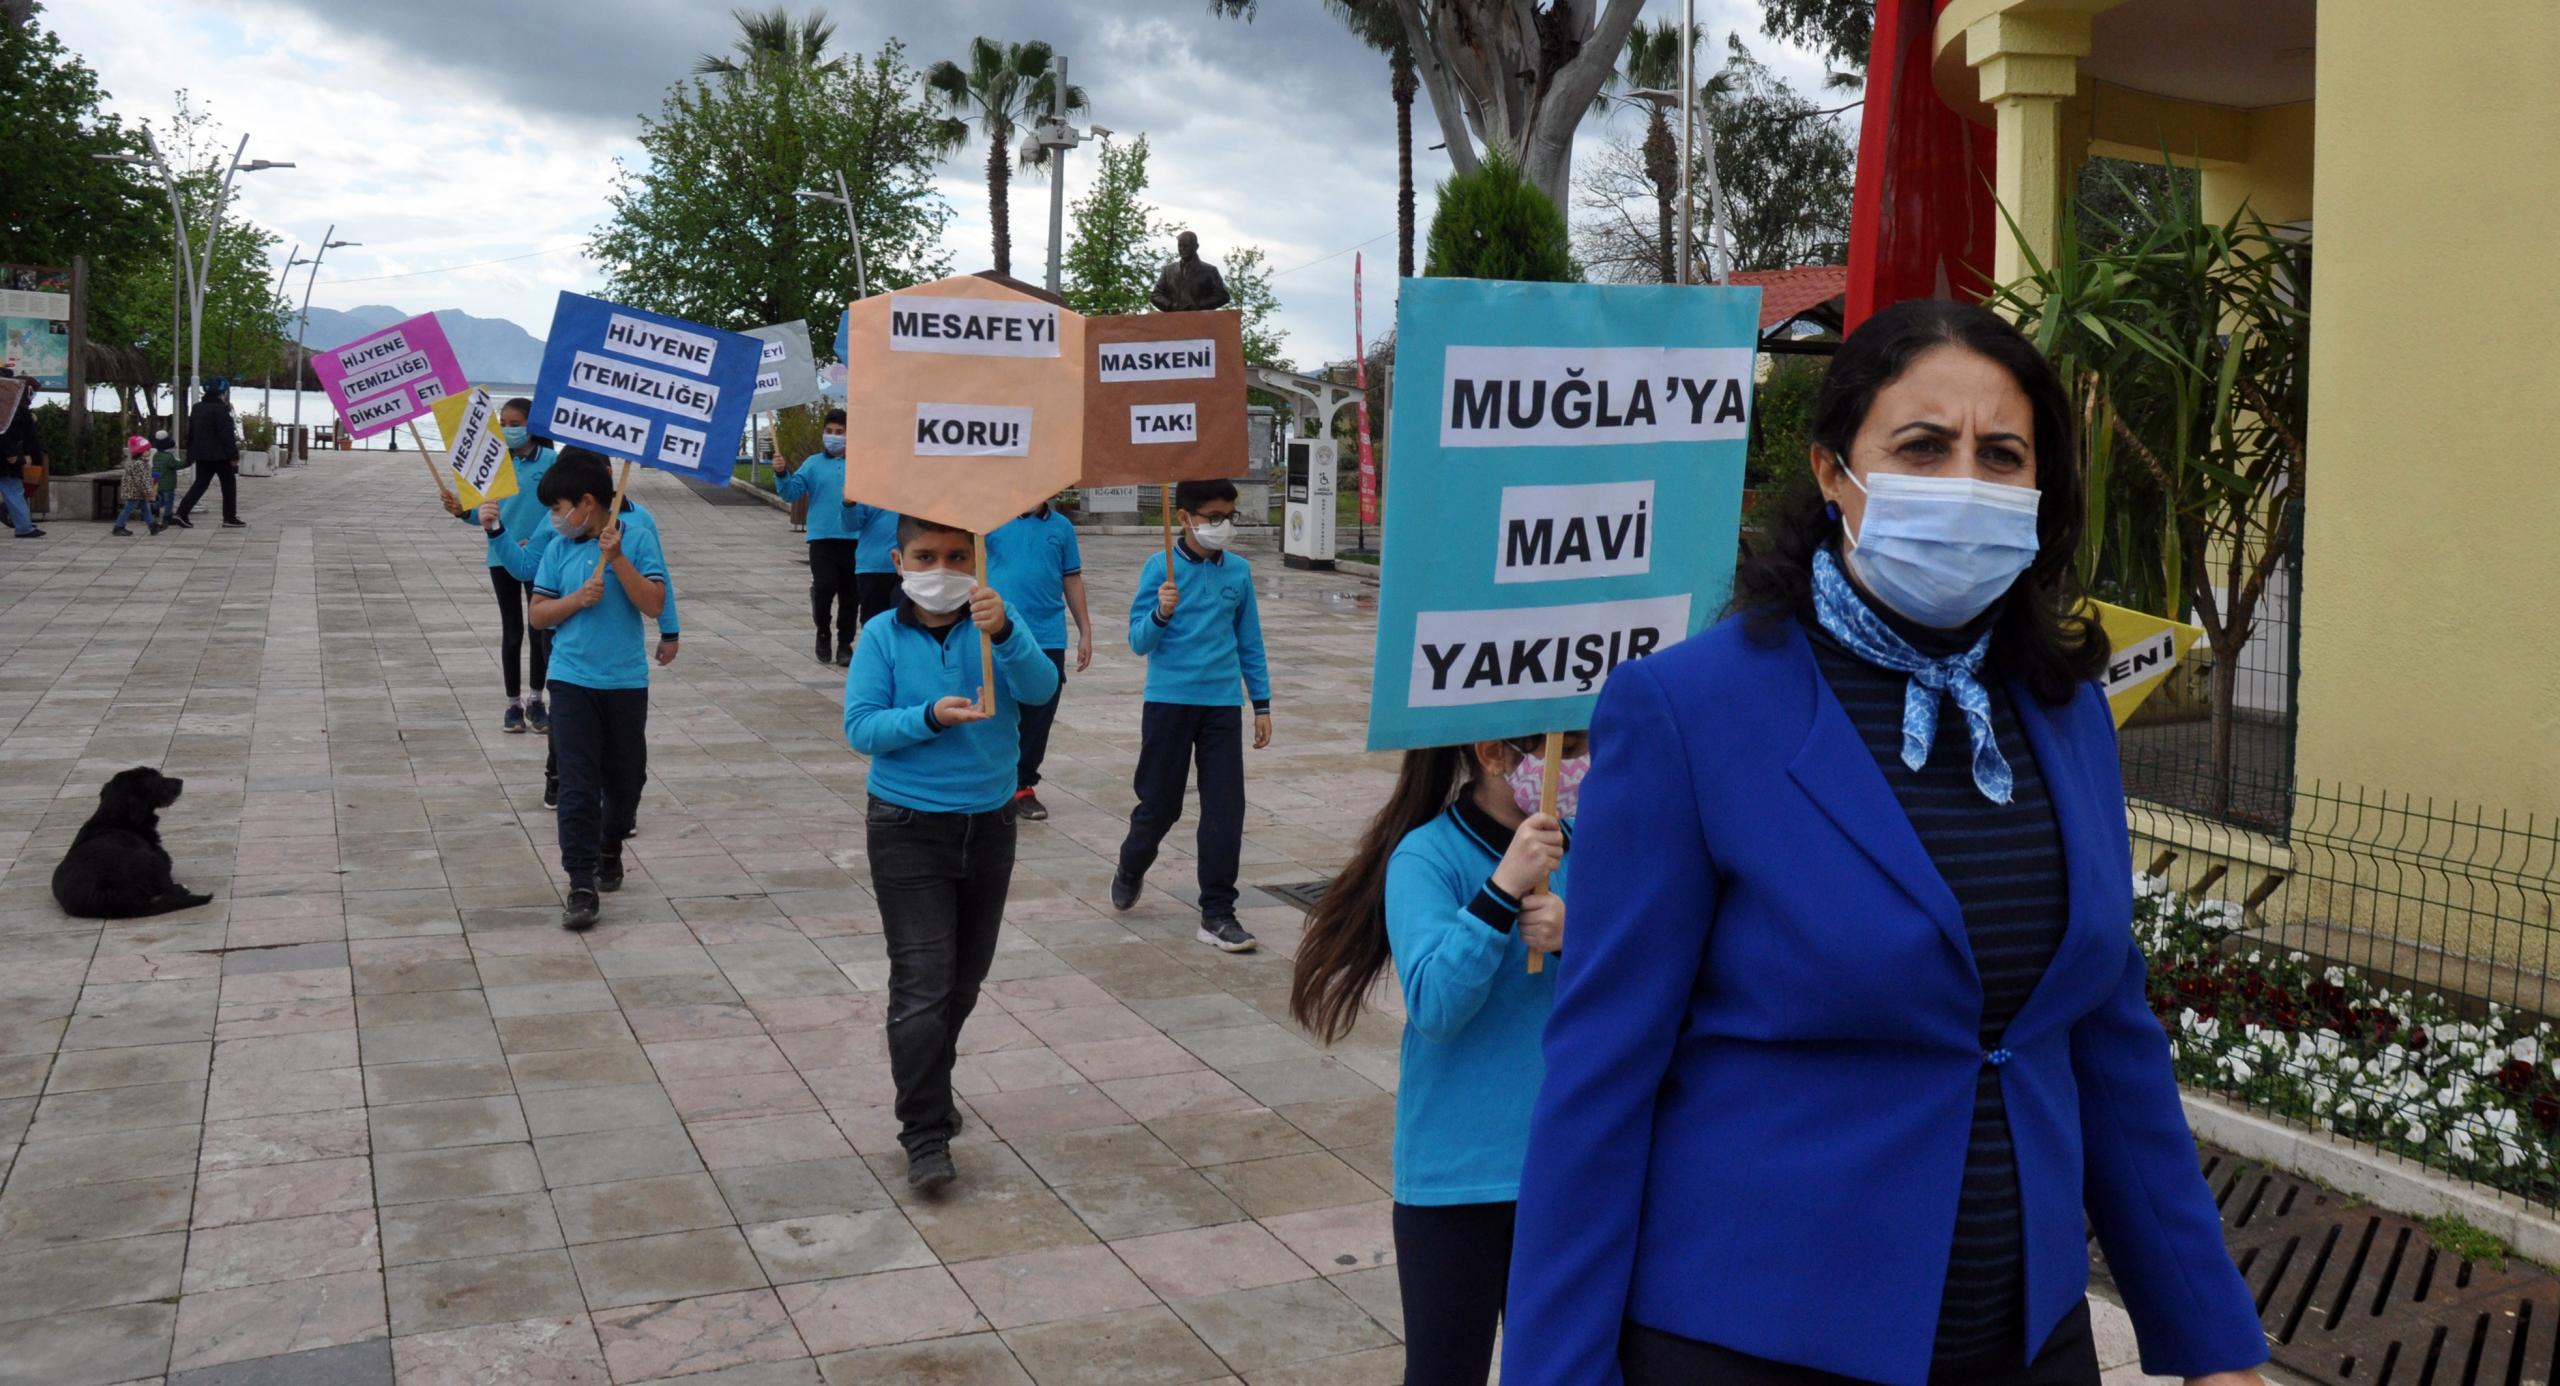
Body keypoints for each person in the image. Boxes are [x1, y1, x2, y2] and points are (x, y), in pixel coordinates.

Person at [1502, 300, 2270, 1386]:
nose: (1964, 482)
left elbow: (2107, 1039)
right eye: (1921, 446)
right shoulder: (1690, 712)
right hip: (1753, 1339)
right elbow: (1599, 1078)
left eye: (2001, 455)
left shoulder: (2064, 714)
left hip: (2027, 1339)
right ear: (1830, 473)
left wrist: (2209, 1336)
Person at [1289, 734, 1579, 1386]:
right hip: (1457, 1179)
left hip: (1567, 1169)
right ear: (1492, 753)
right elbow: (1435, 1007)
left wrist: (1576, 938)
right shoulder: (1426, 855)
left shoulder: (1589, 845)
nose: (1578, 764)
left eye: (1585, 744)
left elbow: (1639, 989)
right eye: (1566, 749)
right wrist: (1501, 891)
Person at [843, 514, 1060, 1194]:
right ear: (899, 559)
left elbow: (1039, 690)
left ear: (979, 560)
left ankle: (931, 1079)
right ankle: (925, 1132)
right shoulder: (881, 634)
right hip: (907, 826)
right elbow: (861, 727)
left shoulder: (997, 618)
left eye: (957, 556)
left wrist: (1004, 631)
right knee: (922, 984)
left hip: (990, 823)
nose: (942, 569)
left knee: (963, 982)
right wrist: (929, 716)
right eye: (927, 555)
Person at [1112, 478, 1272, 954]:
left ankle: (1218, 913)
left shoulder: (1239, 572)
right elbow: (1138, 641)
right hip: (1168, 702)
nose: (1223, 527)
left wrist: (1261, 703)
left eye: (1230, 517)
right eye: (1213, 518)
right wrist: (1160, 613)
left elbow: (1250, 641)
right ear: (1184, 518)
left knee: (1226, 808)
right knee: (1161, 803)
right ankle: (1132, 863)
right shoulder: (1158, 567)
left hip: (1222, 705)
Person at [527, 449, 671, 932]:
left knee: (627, 784)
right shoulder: (556, 547)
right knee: (578, 784)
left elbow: (653, 603)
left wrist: (618, 559)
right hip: (571, 680)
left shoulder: (640, 536)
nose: (554, 518)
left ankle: (612, 843)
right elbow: (538, 614)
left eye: (557, 507)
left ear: (587, 502)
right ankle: (580, 881)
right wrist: (575, 600)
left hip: (625, 682)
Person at [445, 398, 556, 733]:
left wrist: (535, 542)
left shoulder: (551, 461)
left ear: (531, 425)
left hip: (539, 559)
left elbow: (560, 509)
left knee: (540, 631)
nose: (508, 430)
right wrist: (461, 511)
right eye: (502, 424)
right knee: (512, 632)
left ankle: (538, 700)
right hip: (501, 556)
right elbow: (485, 513)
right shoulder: (493, 465)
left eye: (514, 423)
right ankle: (512, 703)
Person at [982, 494, 1091, 820]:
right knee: (997, 708)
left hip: (1047, 636)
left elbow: (1071, 578)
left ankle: (1023, 784)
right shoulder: (990, 520)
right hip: (998, 631)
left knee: (1040, 712)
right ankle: (993, 781)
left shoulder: (1062, 528)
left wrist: (1085, 630)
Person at [773, 408, 863, 665]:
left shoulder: (861, 464)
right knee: (824, 588)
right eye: (829, 432)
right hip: (822, 539)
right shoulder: (813, 463)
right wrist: (781, 473)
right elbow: (791, 492)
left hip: (855, 538)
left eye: (840, 432)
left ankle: (845, 643)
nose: (834, 436)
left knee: (851, 595)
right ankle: (822, 631)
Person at [178, 377, 245, 528]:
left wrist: (191, 454)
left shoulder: (197, 408)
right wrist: (233, 455)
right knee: (228, 486)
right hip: (221, 456)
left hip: (202, 454)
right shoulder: (221, 409)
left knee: (200, 484)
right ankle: (229, 517)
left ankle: (182, 512)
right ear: (223, 392)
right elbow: (226, 434)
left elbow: (192, 433)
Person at [0, 365, 41, 540]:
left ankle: (24, 525)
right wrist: (13, 454)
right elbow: (3, 432)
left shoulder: (13, 408)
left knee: (13, 490)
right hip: (5, 458)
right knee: (13, 490)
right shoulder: (10, 409)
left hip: (6, 456)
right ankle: (23, 527)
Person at [850, 496, 902, 627]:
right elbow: (850, 525)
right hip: (873, 567)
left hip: (911, 566)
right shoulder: (869, 486)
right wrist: (848, 505)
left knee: (904, 620)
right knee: (873, 622)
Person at [112, 435, 162, 536]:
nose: (149, 451)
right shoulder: (140, 464)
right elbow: (142, 481)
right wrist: (149, 492)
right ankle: (119, 526)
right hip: (135, 492)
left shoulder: (138, 463)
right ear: (141, 452)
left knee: (145, 508)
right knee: (128, 509)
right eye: (147, 449)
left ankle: (152, 525)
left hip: (137, 491)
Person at [149, 430, 183, 529]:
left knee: (160, 500)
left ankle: (151, 508)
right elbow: (178, 465)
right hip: (168, 484)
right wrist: (188, 462)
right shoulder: (169, 458)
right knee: (168, 501)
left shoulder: (156, 455)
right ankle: (167, 517)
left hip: (156, 481)